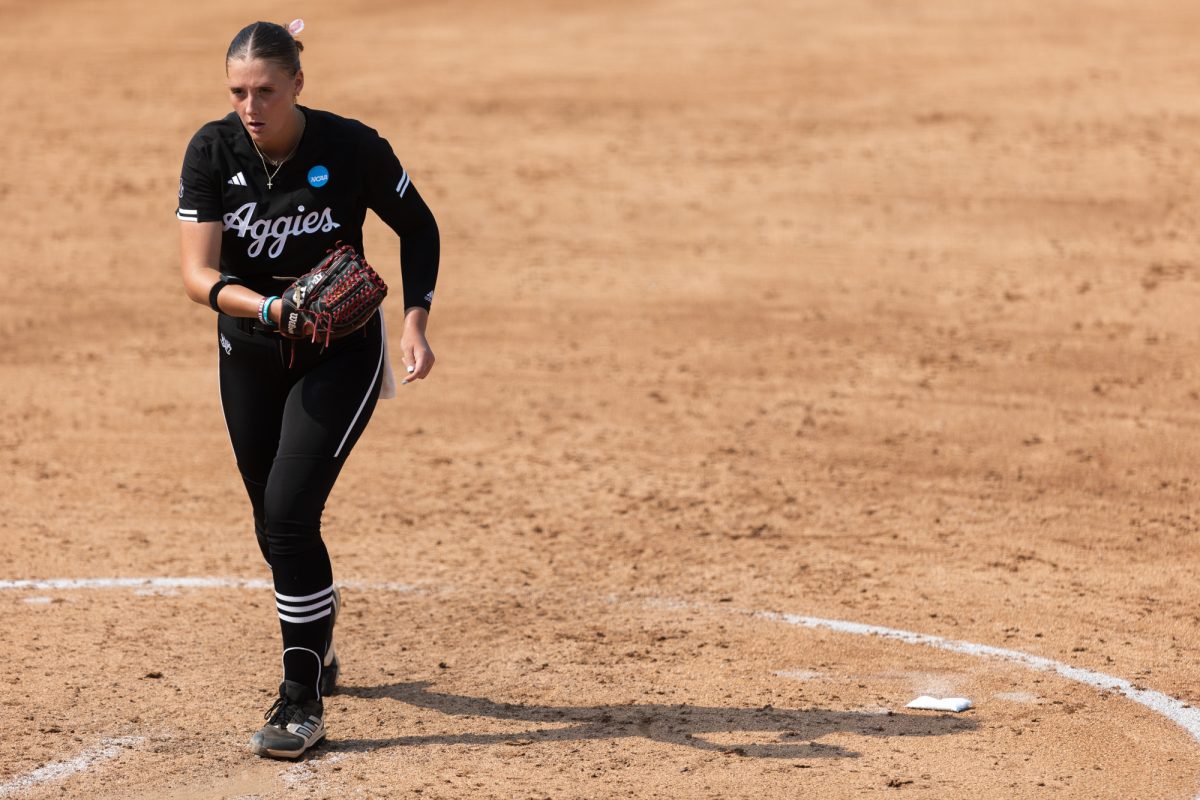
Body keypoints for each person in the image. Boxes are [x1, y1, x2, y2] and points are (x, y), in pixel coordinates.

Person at [177, 19, 440, 759]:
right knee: (272, 521)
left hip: (340, 353)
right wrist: (268, 308)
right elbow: (196, 276)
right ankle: (317, 644)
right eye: (237, 91)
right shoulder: (212, 149)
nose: (250, 106)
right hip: (251, 351)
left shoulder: (351, 146)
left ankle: (300, 697)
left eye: (264, 90)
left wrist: (415, 322)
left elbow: (418, 228)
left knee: (290, 516)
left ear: (297, 83)